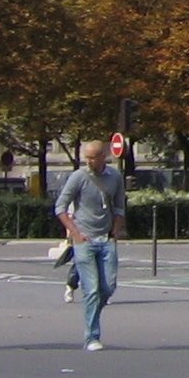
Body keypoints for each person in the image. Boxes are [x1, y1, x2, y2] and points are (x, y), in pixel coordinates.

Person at [53, 139, 126, 351]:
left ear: (104, 156)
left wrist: (116, 229)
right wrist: (75, 233)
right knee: (92, 289)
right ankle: (91, 337)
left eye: (94, 157)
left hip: (106, 238)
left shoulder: (114, 177)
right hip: (84, 239)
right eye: (87, 157)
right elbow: (60, 207)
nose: (89, 161)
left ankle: (92, 312)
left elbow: (120, 206)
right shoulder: (79, 177)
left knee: (108, 287)